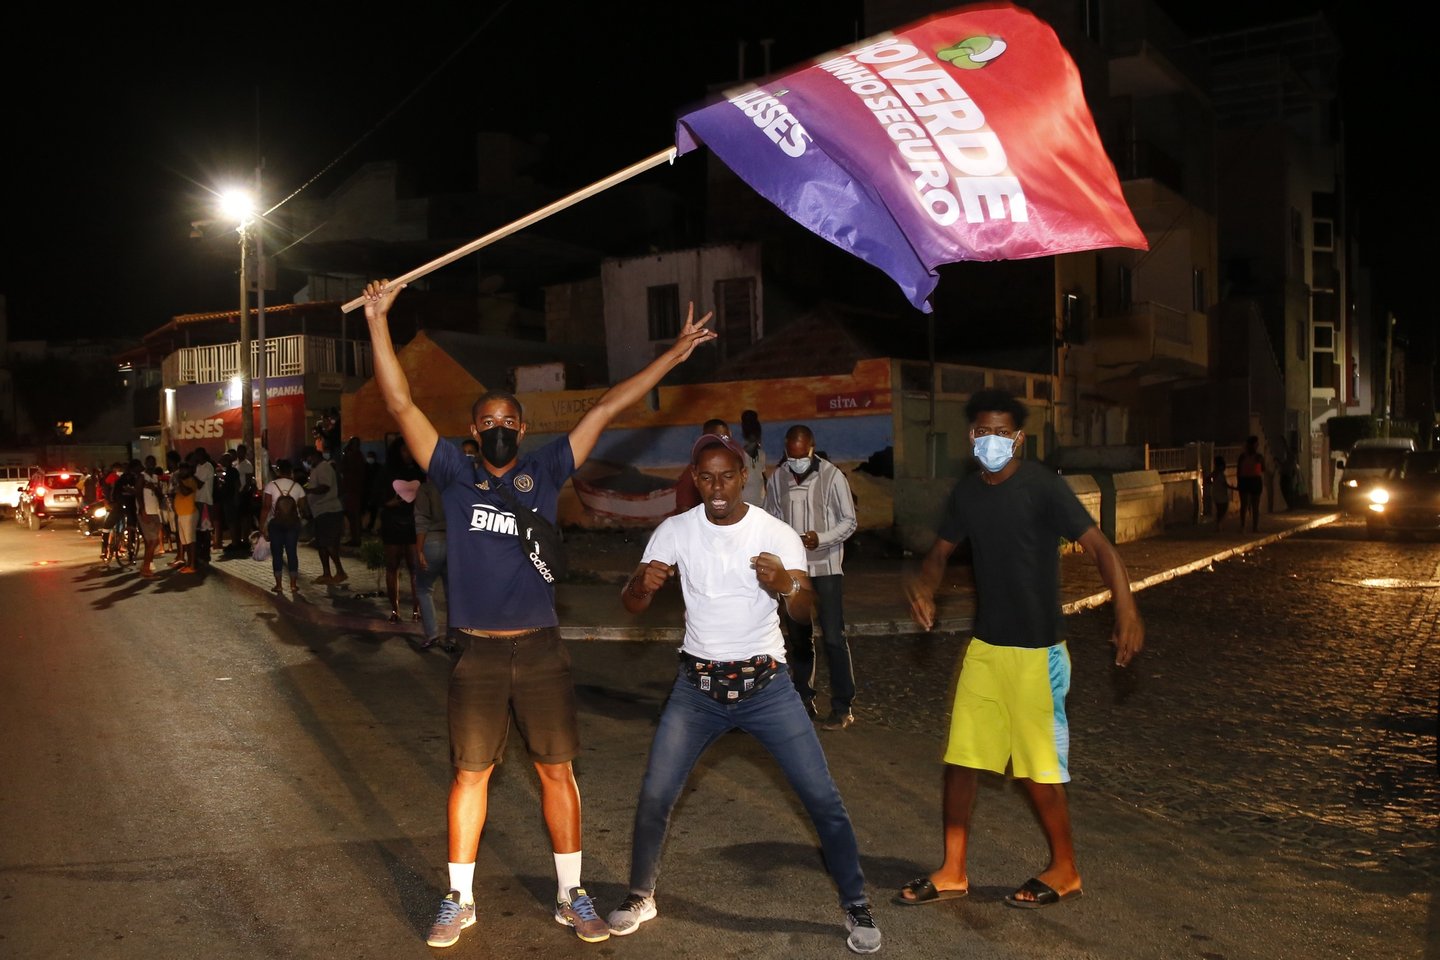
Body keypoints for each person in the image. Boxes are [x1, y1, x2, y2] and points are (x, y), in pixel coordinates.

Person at [363, 277, 715, 950]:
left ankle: (571, 895)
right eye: (487, 422)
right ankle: (458, 899)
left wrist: (673, 356)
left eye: (508, 421)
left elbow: (610, 404)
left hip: (543, 650)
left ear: (522, 428)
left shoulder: (548, 468)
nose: (497, 428)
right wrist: (379, 320)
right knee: (471, 773)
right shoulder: (451, 470)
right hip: (479, 651)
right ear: (473, 430)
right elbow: (400, 399)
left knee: (558, 771)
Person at [606, 432, 881, 955]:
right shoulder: (675, 530)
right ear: (694, 479)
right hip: (697, 688)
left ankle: (856, 902)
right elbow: (633, 603)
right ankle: (642, 894)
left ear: (743, 477)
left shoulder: (773, 531)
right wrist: (641, 586)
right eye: (705, 476)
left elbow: (806, 614)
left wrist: (787, 585)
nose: (717, 487)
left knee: (822, 799)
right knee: (655, 796)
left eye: (726, 476)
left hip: (767, 686)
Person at [897, 388, 1143, 911]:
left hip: (1038, 653)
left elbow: (1100, 548)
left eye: (1002, 433)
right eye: (983, 432)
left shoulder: (1043, 487)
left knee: (1037, 771)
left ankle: (1066, 868)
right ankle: (953, 869)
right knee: (961, 760)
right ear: (971, 437)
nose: (992, 441)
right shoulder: (966, 494)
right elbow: (940, 552)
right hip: (985, 648)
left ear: (1019, 439)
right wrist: (926, 584)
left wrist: (1127, 609)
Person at [765, 424, 859, 730]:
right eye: (789, 456)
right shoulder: (779, 477)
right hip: (796, 571)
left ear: (811, 447)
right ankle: (803, 699)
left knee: (834, 637)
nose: (795, 462)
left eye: (800, 455)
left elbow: (849, 522)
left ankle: (842, 706)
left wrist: (820, 538)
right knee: (799, 638)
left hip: (827, 567)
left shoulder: (833, 476)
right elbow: (771, 518)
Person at [379, 437, 423, 624]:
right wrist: (391, 502)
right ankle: (395, 610)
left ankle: (417, 609)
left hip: (414, 525)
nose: (409, 454)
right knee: (392, 567)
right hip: (392, 523)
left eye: (411, 450)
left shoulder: (419, 473)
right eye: (405, 451)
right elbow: (377, 497)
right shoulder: (386, 472)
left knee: (416, 569)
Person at [413, 475, 452, 651]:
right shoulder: (455, 487)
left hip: (432, 541)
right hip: (453, 543)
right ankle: (452, 637)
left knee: (423, 589)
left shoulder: (426, 489)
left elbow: (421, 520)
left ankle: (432, 634)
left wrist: (419, 550)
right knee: (452, 593)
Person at [260, 459, 307, 596]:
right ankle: (293, 585)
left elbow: (266, 508)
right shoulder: (298, 486)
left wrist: (262, 525)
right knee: (292, 552)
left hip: (276, 524)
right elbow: (303, 508)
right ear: (291, 471)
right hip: (293, 524)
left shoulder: (271, 485)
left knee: (277, 554)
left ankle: (279, 585)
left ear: (278, 471)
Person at [303, 448, 348, 585]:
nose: (308, 461)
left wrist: (308, 490)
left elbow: (325, 487)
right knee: (322, 544)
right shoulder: (317, 469)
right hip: (320, 512)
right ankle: (326, 573)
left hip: (328, 511)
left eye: (309, 458)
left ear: (315, 456)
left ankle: (340, 572)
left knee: (328, 543)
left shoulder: (324, 468)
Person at [672, 418, 729, 513]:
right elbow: (684, 513)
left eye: (725, 438)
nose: (721, 443)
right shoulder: (691, 475)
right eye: (715, 439)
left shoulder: (733, 470)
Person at [340, 436, 367, 546]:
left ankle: (356, 538)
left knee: (354, 515)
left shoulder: (354, 456)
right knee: (353, 515)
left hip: (353, 490)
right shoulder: (356, 456)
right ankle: (355, 537)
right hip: (352, 489)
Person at [1236, 435, 1264, 533]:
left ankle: (1253, 527)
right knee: (1245, 505)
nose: (1257, 446)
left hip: (1253, 480)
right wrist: (1239, 482)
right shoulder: (1244, 457)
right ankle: (1244, 526)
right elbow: (1238, 471)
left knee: (1254, 505)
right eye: (1256, 444)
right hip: (1247, 481)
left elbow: (1262, 469)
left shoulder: (1257, 457)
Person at [739, 408, 767, 508]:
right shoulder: (739, 456)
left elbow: (762, 478)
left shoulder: (761, 455)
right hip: (744, 507)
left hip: (760, 506)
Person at [1207, 455, 1231, 531]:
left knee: (1220, 509)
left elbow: (1208, 479)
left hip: (1217, 493)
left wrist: (1212, 483)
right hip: (1221, 493)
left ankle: (1218, 525)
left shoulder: (1215, 473)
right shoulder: (1218, 473)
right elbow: (1224, 484)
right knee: (1223, 509)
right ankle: (1218, 524)